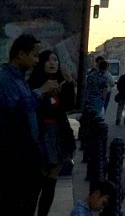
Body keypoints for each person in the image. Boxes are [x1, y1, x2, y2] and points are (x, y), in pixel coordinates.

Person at [0, 33, 60, 216]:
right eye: (34, 55)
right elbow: (16, 108)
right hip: (14, 152)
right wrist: (40, 92)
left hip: (28, 150)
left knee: (28, 199)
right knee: (17, 202)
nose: (37, 60)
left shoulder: (20, 78)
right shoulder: (5, 79)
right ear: (21, 54)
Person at [28, 50, 76, 216]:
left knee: (52, 180)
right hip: (40, 136)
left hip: (58, 135)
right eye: (48, 60)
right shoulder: (34, 83)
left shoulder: (61, 83)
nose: (52, 63)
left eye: (55, 60)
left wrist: (69, 83)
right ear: (41, 63)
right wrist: (43, 92)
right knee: (37, 181)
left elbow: (69, 106)